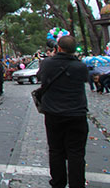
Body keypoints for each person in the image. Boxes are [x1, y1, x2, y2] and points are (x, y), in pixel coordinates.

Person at [36, 35, 89, 188]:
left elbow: (41, 77)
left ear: (58, 48)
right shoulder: (80, 66)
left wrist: (52, 57)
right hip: (77, 114)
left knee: (56, 150)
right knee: (76, 153)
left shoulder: (47, 63)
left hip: (54, 114)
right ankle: (77, 184)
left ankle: (58, 182)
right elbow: (85, 79)